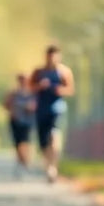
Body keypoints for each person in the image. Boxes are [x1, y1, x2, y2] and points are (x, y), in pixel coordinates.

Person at [29, 45, 74, 183]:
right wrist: (40, 86)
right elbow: (30, 87)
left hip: (57, 109)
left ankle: (53, 168)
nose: (52, 59)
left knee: (54, 137)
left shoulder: (64, 72)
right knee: (43, 142)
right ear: (46, 56)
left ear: (59, 57)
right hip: (41, 110)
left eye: (54, 56)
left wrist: (58, 89)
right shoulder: (38, 72)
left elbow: (70, 90)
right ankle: (48, 164)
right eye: (49, 56)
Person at [2, 72, 37, 178]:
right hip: (15, 121)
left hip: (27, 122)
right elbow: (6, 105)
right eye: (20, 79)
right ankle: (21, 162)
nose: (22, 81)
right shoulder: (13, 93)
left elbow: (34, 106)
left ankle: (25, 162)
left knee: (25, 143)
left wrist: (28, 107)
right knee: (17, 144)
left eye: (24, 79)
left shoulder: (32, 93)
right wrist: (12, 109)